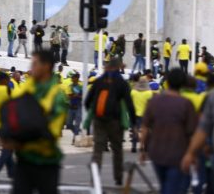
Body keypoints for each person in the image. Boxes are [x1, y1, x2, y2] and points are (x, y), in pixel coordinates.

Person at [3, 50, 66, 194]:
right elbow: (13, 110)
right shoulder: (27, 87)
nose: (32, 67)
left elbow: (51, 132)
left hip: (46, 161)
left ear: (47, 66)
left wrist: (19, 140)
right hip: (24, 159)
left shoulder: (57, 95)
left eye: (35, 63)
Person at [141, 69, 197, 194]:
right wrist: (192, 154)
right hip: (177, 154)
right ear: (183, 84)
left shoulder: (154, 101)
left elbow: (145, 128)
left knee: (165, 185)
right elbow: (192, 133)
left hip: (156, 152)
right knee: (171, 188)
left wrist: (142, 150)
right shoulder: (186, 104)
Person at [85, 57, 136, 186]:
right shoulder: (121, 82)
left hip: (99, 120)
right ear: (118, 67)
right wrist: (133, 123)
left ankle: (94, 179)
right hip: (115, 121)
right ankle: (118, 178)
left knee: (98, 150)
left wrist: (93, 115)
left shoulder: (99, 81)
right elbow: (129, 104)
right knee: (117, 149)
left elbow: (87, 101)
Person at [130, 77, 153, 153]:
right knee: (146, 130)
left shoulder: (133, 92)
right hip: (145, 114)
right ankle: (145, 146)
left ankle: (134, 147)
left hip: (135, 114)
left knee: (134, 130)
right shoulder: (149, 93)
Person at [65, 72, 83, 145]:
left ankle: (75, 138)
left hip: (79, 107)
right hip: (71, 107)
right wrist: (76, 95)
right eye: (72, 78)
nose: (72, 79)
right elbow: (68, 96)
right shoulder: (70, 86)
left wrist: (75, 96)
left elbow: (83, 96)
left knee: (77, 123)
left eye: (73, 77)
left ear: (77, 78)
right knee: (68, 124)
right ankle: (78, 131)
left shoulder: (81, 86)